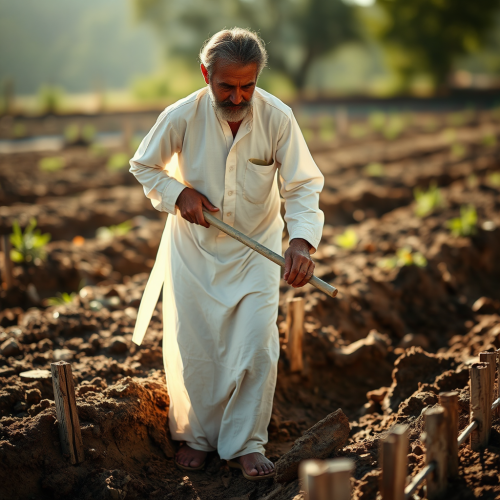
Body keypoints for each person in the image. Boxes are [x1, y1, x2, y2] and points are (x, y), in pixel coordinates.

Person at [129, 27, 324, 480]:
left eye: (247, 86)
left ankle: (245, 443)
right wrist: (179, 194)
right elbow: (144, 164)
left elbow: (302, 184)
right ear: (206, 75)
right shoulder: (181, 115)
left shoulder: (277, 117)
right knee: (196, 347)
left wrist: (300, 242)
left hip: (256, 252)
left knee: (256, 346)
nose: (238, 96)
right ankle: (197, 437)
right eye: (227, 86)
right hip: (192, 250)